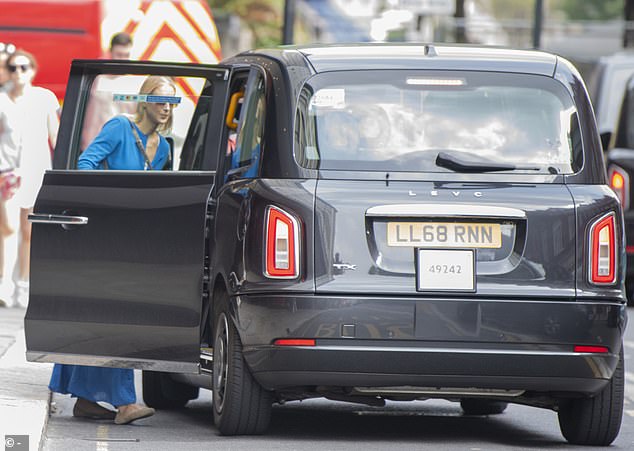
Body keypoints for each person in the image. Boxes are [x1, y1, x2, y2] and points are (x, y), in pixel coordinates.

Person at [49, 75, 178, 425]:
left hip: (136, 246)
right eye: (160, 99)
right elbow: (85, 164)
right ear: (143, 100)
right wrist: (108, 204)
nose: (166, 107)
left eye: (172, 101)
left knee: (108, 318)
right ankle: (124, 403)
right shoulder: (119, 127)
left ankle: (86, 400)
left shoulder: (164, 147)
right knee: (121, 318)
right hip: (105, 239)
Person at [0, 49, 59, 308]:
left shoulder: (44, 98)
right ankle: (5, 285)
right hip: (8, 175)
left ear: (33, 70)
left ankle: (23, 285)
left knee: (29, 232)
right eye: (13, 68)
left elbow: (55, 136)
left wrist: (61, 172)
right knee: (7, 230)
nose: (18, 72)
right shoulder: (2, 100)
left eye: (24, 67)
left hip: (36, 171)